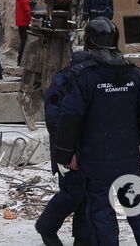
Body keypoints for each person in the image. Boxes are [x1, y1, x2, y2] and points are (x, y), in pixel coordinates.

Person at [51, 18, 140, 246]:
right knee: (139, 210)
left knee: (102, 214)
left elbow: (70, 118)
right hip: (128, 158)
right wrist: (131, 140)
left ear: (88, 43)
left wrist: (64, 154)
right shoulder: (134, 74)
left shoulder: (85, 76)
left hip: (96, 160)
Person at [36, 49, 95, 246]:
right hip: (67, 150)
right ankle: (46, 227)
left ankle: (83, 238)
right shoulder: (62, 84)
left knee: (87, 194)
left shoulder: (88, 82)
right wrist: (69, 152)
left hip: (87, 148)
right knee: (73, 192)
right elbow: (55, 121)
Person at [15, 0, 32, 66]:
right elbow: (28, 12)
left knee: (22, 43)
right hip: (26, 24)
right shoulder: (25, 0)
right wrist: (30, 22)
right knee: (26, 44)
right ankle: (23, 63)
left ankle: (20, 62)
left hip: (20, 24)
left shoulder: (19, 0)